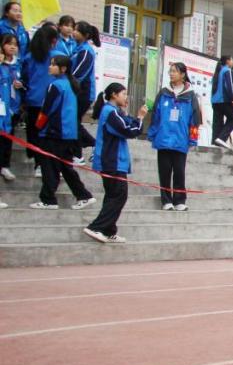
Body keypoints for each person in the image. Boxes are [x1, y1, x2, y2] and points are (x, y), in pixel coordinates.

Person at [29, 54, 95, 210]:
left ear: (63, 68)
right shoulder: (70, 85)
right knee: (66, 167)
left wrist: (38, 126)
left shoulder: (56, 86)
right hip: (68, 134)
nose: (50, 67)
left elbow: (46, 110)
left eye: (53, 64)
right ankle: (84, 195)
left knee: (49, 166)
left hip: (54, 133)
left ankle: (48, 200)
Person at [84, 83, 147, 243]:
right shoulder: (110, 112)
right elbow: (128, 130)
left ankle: (109, 230)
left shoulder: (115, 112)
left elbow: (127, 122)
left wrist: (132, 117)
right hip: (111, 161)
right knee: (119, 195)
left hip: (115, 161)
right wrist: (140, 118)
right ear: (114, 95)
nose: (126, 97)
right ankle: (96, 227)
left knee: (113, 195)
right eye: (123, 94)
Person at [147, 62, 201, 211]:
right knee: (164, 171)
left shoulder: (190, 95)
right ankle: (166, 200)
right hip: (164, 138)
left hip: (180, 139)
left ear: (183, 75)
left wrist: (193, 138)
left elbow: (195, 119)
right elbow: (156, 115)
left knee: (179, 171)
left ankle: (180, 200)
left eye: (174, 71)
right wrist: (152, 134)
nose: (171, 74)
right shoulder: (163, 93)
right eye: (170, 71)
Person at [20, 23, 60, 177]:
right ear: (53, 40)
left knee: (34, 133)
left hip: (33, 101)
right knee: (47, 135)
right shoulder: (57, 56)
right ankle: (45, 165)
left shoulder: (29, 57)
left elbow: (25, 77)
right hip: (51, 102)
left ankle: (37, 162)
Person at [70, 21, 102, 156]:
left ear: (86, 35)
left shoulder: (86, 51)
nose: (73, 32)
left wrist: (67, 84)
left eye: (77, 30)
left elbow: (79, 73)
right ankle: (85, 148)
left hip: (83, 93)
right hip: (77, 91)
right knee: (73, 122)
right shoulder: (77, 48)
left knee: (73, 122)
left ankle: (83, 151)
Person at [0, 34, 19, 181]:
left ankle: (5, 165)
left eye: (15, 44)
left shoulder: (18, 64)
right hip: (1, 106)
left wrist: (21, 84)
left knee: (8, 138)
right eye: (8, 44)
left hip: (13, 107)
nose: (12, 47)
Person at [210, 55, 233, 149]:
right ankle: (221, 138)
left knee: (217, 121)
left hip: (215, 101)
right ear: (227, 61)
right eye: (232, 60)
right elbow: (229, 86)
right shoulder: (226, 70)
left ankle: (215, 141)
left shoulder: (218, 71)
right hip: (224, 100)